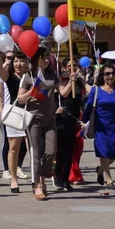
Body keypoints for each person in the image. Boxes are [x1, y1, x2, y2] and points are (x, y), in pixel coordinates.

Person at [17, 47, 76, 200]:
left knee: (51, 151)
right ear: (36, 59)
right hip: (33, 119)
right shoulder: (28, 76)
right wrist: (32, 92)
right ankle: (37, 185)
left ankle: (43, 178)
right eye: (43, 58)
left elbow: (63, 93)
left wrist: (71, 82)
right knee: (36, 153)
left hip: (50, 119)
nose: (46, 60)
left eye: (48, 58)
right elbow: (20, 98)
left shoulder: (52, 75)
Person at [82, 63, 115, 190]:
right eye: (107, 73)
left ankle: (100, 169)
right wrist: (84, 123)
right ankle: (109, 179)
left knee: (112, 156)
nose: (110, 76)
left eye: (112, 73)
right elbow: (88, 109)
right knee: (103, 152)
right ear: (102, 75)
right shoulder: (96, 90)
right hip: (100, 127)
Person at [0, 48, 29, 191]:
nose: (19, 64)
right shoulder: (9, 76)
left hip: (31, 113)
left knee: (32, 148)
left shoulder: (31, 76)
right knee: (13, 148)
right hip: (15, 113)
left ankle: (37, 179)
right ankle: (13, 179)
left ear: (27, 62)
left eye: (21, 60)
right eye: (16, 61)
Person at [53, 58, 84, 191]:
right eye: (70, 66)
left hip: (73, 119)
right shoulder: (60, 79)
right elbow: (63, 93)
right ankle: (57, 176)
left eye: (75, 65)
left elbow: (81, 99)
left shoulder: (78, 81)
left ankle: (66, 179)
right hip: (61, 119)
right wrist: (70, 81)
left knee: (70, 151)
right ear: (65, 67)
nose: (73, 68)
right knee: (61, 151)